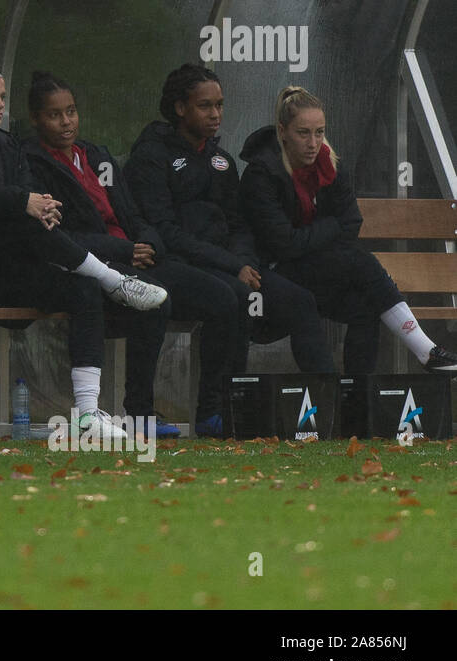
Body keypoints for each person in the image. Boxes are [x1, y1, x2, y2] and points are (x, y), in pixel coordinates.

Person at [0, 63, 167, 443]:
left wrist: (41, 205)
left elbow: (26, 198)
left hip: (10, 263)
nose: (0, 105)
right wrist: (24, 202)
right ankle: (112, 278)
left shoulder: (7, 145)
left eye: (2, 97)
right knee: (29, 223)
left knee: (79, 286)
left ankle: (86, 413)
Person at [23, 70, 243, 438]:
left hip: (136, 256)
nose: (66, 122)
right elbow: (62, 235)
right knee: (155, 301)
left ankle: (213, 412)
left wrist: (148, 242)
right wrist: (127, 249)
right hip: (94, 263)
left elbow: (132, 212)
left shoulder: (95, 155)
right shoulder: (31, 163)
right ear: (36, 119)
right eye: (54, 114)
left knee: (224, 298)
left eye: (72, 111)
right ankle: (140, 411)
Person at [123, 64, 339, 429]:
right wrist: (231, 264)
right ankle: (212, 411)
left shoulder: (221, 161)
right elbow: (165, 230)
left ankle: (331, 407)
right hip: (167, 263)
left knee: (299, 300)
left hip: (225, 264)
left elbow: (238, 223)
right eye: (205, 106)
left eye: (220, 105)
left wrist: (242, 260)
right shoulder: (151, 155)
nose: (216, 114)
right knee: (228, 297)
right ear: (180, 108)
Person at [239, 85, 457, 374]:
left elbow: (352, 223)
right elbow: (284, 244)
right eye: (303, 133)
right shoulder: (262, 172)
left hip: (316, 270)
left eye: (319, 132)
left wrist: (322, 235)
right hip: (273, 275)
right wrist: (330, 226)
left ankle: (356, 400)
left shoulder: (329, 165)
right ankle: (424, 349)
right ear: (282, 131)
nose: (313, 142)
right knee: (357, 259)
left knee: (364, 307)